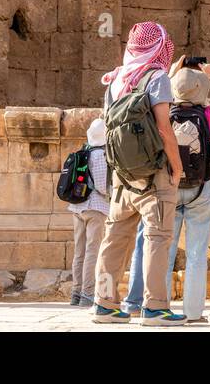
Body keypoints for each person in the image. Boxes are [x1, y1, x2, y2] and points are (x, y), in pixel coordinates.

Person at [91, 21, 185, 325]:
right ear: (160, 46)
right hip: (154, 171)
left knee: (114, 238)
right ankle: (155, 307)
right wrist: (177, 166)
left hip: (122, 174)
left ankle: (104, 303)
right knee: (157, 237)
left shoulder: (116, 79)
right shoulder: (157, 77)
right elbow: (163, 127)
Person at [164, 58, 210, 322]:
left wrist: (172, 73)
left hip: (170, 186)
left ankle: (159, 307)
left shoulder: (164, 110)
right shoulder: (208, 114)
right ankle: (194, 312)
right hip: (201, 187)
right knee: (197, 253)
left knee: (165, 249)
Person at [69, 117, 109, 306]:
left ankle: (75, 293)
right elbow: (101, 185)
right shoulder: (100, 156)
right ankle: (87, 294)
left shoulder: (84, 152)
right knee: (93, 251)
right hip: (96, 208)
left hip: (77, 208)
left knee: (79, 252)